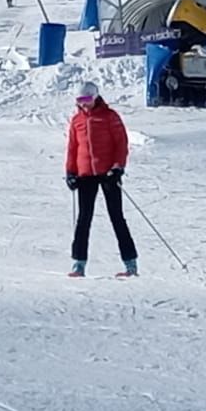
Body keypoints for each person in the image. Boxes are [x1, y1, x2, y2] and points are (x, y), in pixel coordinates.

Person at [65, 82, 136, 277]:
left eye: (87, 99)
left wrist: (118, 167)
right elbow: (72, 148)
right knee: (84, 219)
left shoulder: (109, 116)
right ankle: (78, 264)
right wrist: (71, 172)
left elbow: (121, 143)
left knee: (116, 217)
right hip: (85, 174)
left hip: (108, 174)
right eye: (80, 100)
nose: (84, 104)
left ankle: (130, 263)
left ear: (95, 97)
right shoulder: (76, 120)